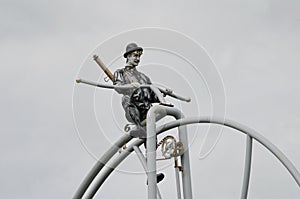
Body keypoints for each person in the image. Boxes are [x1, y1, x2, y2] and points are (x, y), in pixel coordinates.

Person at [113, 43, 160, 138]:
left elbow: (153, 95)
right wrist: (130, 86)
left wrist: (162, 93)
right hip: (133, 107)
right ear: (128, 56)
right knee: (126, 99)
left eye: (139, 56)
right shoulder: (120, 73)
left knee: (151, 143)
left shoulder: (144, 77)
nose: (137, 59)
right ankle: (138, 127)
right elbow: (118, 87)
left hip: (147, 109)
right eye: (135, 56)